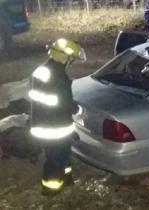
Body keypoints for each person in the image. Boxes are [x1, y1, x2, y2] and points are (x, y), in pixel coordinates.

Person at [29, 38, 86, 196]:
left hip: (44, 123)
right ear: (64, 57)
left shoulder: (43, 70)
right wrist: (77, 108)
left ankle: (67, 179)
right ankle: (50, 189)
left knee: (61, 155)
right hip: (54, 127)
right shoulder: (58, 76)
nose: (71, 62)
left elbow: (49, 98)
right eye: (71, 58)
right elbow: (63, 102)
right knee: (56, 158)